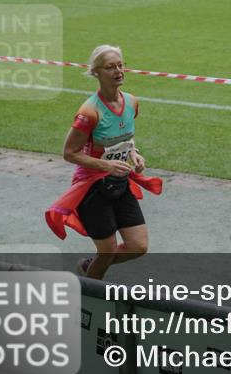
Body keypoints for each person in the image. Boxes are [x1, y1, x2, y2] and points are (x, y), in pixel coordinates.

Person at [50, 45, 161, 279]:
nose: (118, 70)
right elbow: (69, 153)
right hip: (92, 188)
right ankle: (91, 293)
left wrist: (134, 153)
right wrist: (107, 166)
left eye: (121, 65)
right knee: (107, 250)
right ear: (96, 72)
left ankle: (89, 268)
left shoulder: (131, 102)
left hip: (119, 183)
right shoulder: (89, 111)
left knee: (138, 246)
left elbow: (125, 138)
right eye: (111, 67)